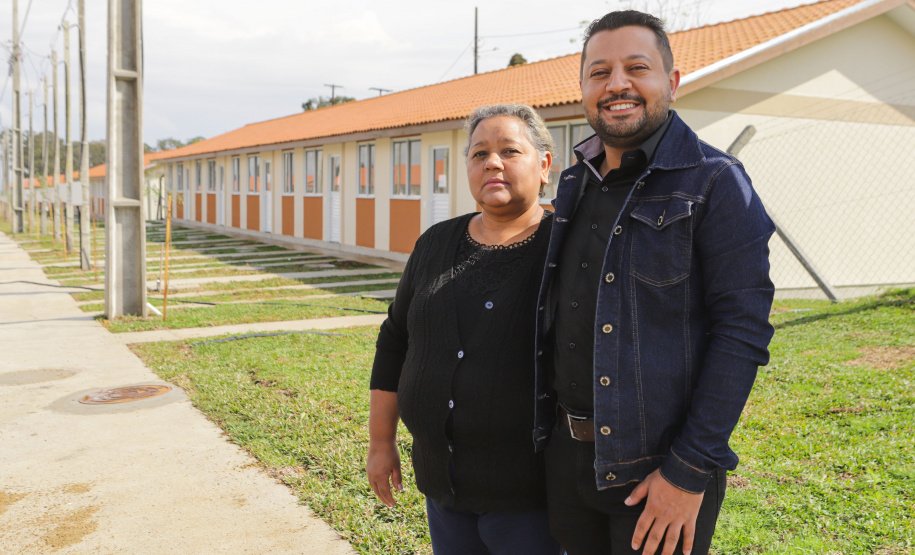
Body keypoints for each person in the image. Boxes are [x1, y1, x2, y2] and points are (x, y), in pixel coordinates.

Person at [532, 11, 776, 555]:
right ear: (583, 90)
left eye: (636, 67)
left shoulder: (716, 182)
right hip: (567, 462)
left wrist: (687, 473)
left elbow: (743, 334)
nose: (617, 83)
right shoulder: (573, 185)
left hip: (657, 473)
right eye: (599, 72)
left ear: (672, 81)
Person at [367, 104, 561, 555]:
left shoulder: (566, 248)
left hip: (531, 498)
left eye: (509, 150)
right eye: (479, 154)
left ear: (545, 165)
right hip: (443, 485)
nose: (492, 162)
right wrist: (381, 441)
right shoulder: (435, 243)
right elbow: (395, 339)